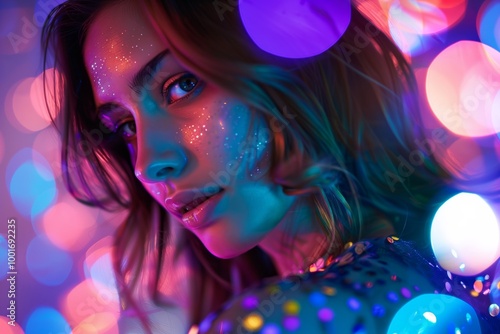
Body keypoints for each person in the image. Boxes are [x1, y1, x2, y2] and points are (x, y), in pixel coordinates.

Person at [41, 0, 497, 333]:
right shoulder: (446, 271)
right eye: (125, 127)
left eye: (181, 85)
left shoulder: (285, 320)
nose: (148, 164)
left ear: (288, 55)